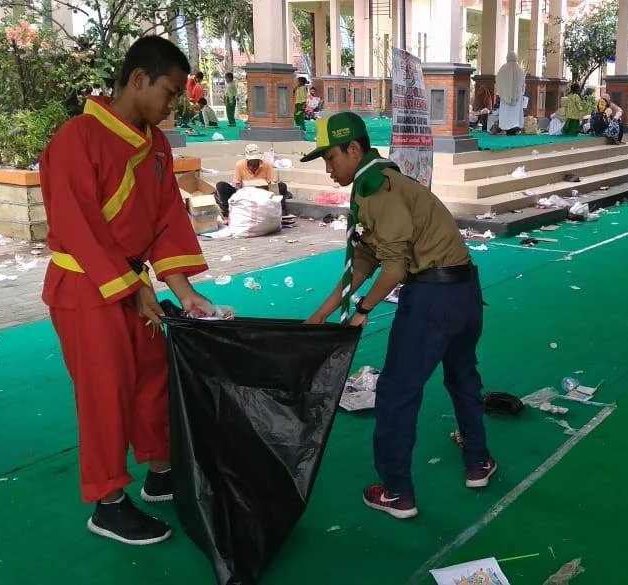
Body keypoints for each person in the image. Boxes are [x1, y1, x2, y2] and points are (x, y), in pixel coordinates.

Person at [39, 35, 214, 545]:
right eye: (171, 91)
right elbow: (79, 227)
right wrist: (133, 288)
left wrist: (184, 294)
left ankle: (160, 471)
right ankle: (108, 502)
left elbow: (165, 222)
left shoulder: (155, 145)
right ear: (139, 79)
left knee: (154, 375)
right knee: (105, 393)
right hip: (83, 286)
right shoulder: (77, 139)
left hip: (129, 282)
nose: (174, 104)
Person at [301, 113, 495, 520]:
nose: (328, 168)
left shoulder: (376, 190)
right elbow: (364, 261)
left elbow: (394, 268)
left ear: (353, 149)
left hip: (432, 300)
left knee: (396, 393)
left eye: (331, 158)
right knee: (462, 377)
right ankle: (478, 463)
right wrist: (323, 312)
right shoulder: (387, 182)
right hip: (465, 291)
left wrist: (362, 312)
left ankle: (396, 492)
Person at [215, 143, 291, 220]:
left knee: (282, 186)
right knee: (221, 185)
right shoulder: (240, 165)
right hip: (244, 193)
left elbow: (272, 183)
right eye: (251, 160)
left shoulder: (267, 165)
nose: (253, 162)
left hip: (263, 193)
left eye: (255, 160)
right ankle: (227, 214)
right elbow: (237, 184)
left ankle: (281, 213)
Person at [495, 52, 525, 135]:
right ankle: (517, 129)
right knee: (516, 112)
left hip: (505, 96)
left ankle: (504, 130)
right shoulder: (520, 69)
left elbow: (498, 81)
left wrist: (501, 92)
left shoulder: (503, 69)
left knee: (505, 112)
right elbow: (523, 83)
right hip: (518, 96)